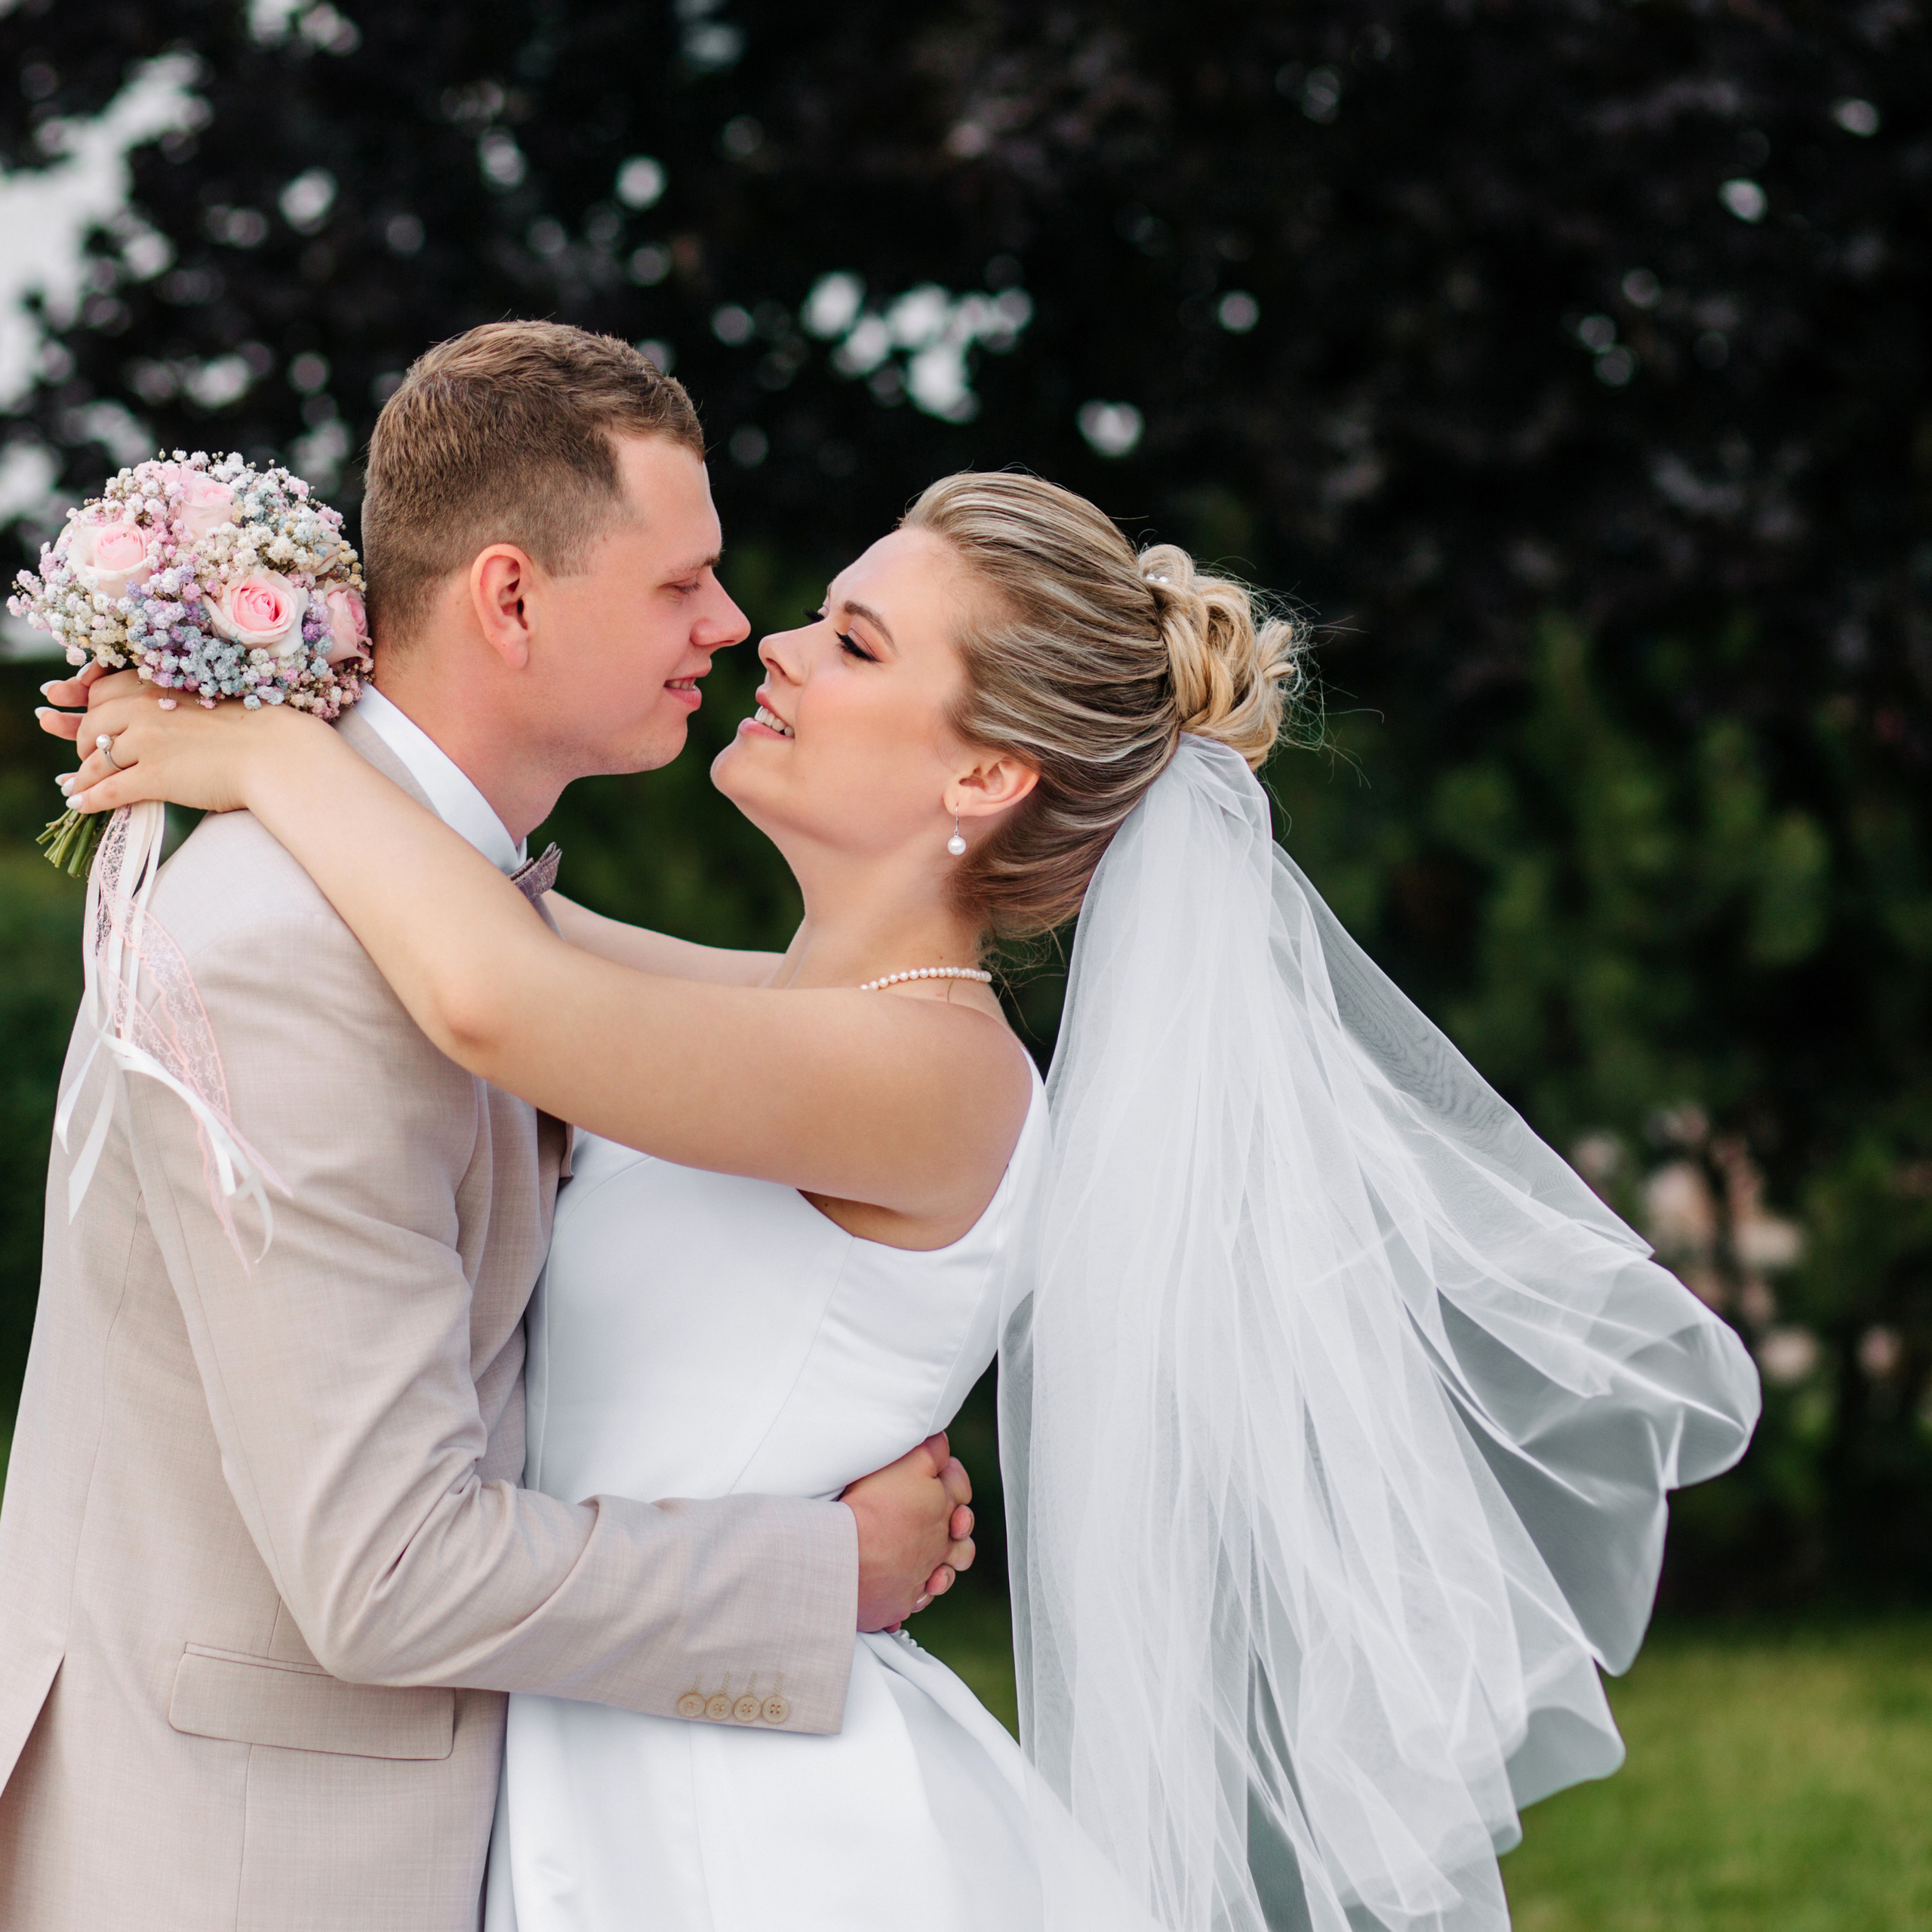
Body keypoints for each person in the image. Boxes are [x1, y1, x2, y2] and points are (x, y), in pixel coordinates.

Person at [44, 453, 1761, 1931]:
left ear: (982, 776)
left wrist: (272, 764)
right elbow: (494, 921)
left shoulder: (927, 1077)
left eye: (853, 641)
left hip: (746, 1814)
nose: (771, 644)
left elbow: (499, 991)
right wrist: (291, 706)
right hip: (614, 1739)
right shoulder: (791, 1017)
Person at [0, 323, 975, 1932]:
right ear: (512, 598)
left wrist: (269, 753)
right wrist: (822, 1573)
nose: (732, 628)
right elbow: (387, 1567)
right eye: (682, 585)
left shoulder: (447, 924)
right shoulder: (294, 954)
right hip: (242, 1858)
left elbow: (739, 1030)